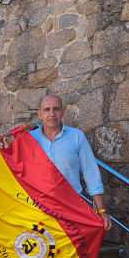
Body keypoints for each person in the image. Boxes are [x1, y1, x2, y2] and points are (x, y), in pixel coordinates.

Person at [31, 95, 112, 232]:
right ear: (39, 114)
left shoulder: (77, 136)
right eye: (47, 110)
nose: (52, 114)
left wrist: (101, 210)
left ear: (63, 112)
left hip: (71, 208)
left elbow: (90, 172)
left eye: (56, 109)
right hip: (38, 210)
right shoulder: (29, 139)